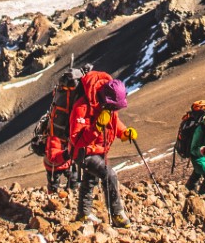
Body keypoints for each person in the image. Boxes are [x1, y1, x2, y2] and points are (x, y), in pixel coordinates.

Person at [68, 70, 136, 227]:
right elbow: (76, 139)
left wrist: (125, 133)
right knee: (109, 175)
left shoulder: (108, 107)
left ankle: (83, 214)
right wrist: (97, 126)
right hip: (83, 152)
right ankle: (117, 214)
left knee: (89, 180)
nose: (114, 111)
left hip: (99, 151)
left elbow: (115, 124)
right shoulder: (82, 107)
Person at [39, 68, 84, 196]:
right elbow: (53, 157)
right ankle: (57, 197)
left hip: (62, 163)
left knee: (68, 179)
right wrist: (68, 154)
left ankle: (67, 194)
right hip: (56, 165)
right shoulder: (55, 137)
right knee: (59, 182)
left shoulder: (55, 130)